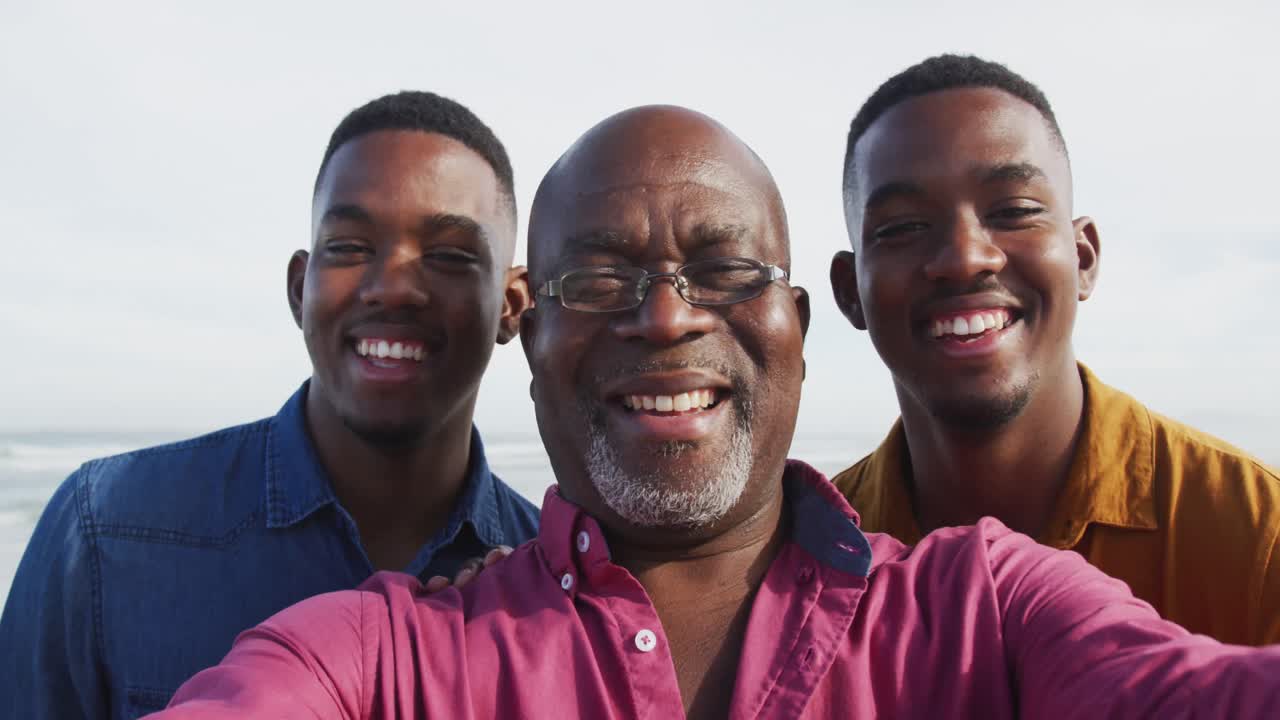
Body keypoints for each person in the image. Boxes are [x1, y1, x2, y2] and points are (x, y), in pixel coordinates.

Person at [151, 105, 1280, 720]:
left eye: (722, 270)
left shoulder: (986, 605)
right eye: (595, 280)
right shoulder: (383, 653)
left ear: (794, 322)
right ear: (527, 334)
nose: (662, 318)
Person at [0, 91, 539, 719]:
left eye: (449, 255)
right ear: (298, 289)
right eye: (349, 247)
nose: (392, 285)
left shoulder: (549, 584)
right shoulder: (104, 532)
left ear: (511, 306)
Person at [829, 54, 1280, 645]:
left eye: (1013, 211)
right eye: (903, 227)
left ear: (1084, 257)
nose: (966, 257)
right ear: (849, 293)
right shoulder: (816, 558)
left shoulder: (1257, 535)